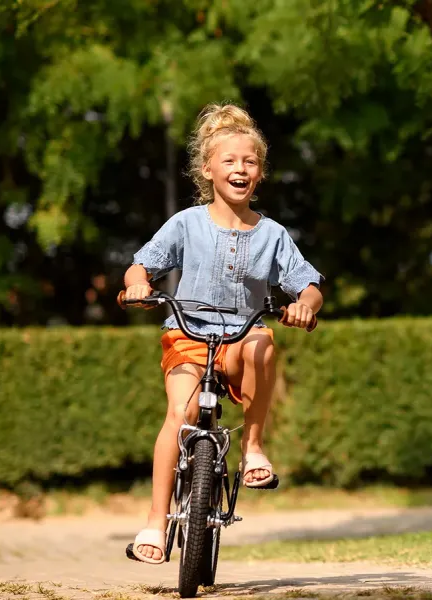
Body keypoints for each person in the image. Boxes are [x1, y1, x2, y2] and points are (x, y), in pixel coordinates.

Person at [121, 102, 324, 562]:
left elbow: (307, 284)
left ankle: (253, 448)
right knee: (181, 414)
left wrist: (304, 307)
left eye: (249, 161)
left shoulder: (272, 234)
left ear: (260, 173)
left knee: (261, 341)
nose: (240, 168)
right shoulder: (186, 223)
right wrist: (137, 284)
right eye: (229, 161)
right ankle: (154, 523)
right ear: (208, 169)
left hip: (240, 338)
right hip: (188, 336)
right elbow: (142, 264)